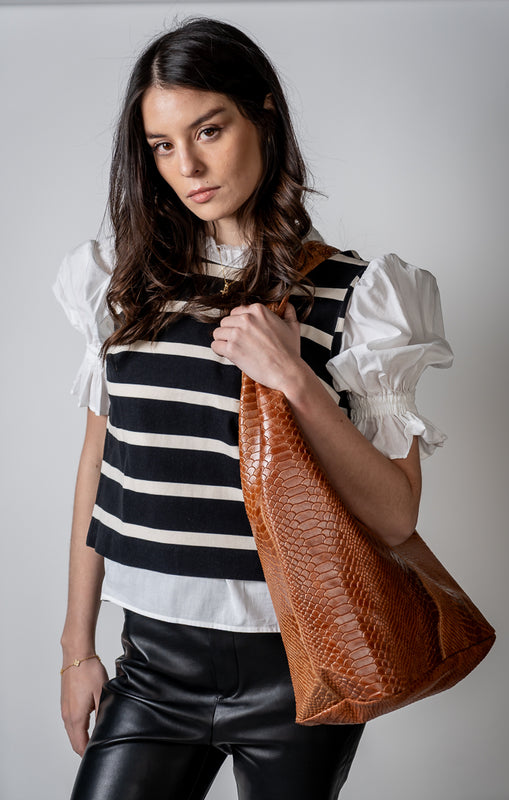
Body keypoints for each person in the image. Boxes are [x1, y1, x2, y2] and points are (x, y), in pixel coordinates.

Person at [54, 16, 454, 800]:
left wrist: (293, 378)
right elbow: (99, 470)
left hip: (301, 667)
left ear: (262, 115)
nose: (188, 166)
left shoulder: (358, 296)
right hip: (152, 666)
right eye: (162, 145)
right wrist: (77, 649)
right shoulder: (118, 286)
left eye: (209, 130)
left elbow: (394, 516)